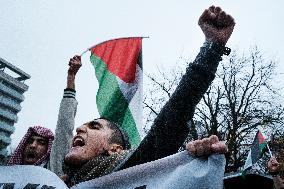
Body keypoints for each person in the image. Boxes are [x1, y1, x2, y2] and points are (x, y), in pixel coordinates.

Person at [49, 5, 235, 187]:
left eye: (95, 127)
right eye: (84, 125)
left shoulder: (133, 171)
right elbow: (64, 127)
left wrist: (212, 48)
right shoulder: (51, 180)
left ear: (115, 150)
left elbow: (174, 116)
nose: (80, 128)